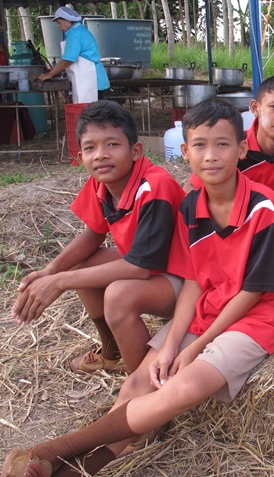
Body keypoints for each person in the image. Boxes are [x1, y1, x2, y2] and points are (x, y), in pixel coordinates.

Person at [0, 99, 274, 477]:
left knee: (183, 387)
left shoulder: (267, 208)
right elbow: (193, 283)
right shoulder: (192, 206)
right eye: (200, 145)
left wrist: (195, 348)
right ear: (185, 152)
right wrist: (171, 344)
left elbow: (251, 294)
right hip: (208, 305)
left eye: (222, 144)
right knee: (138, 382)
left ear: (241, 149)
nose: (211, 155)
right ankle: (77, 463)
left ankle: (59, 454)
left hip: (254, 317)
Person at [10, 100, 185, 374]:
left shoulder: (154, 186)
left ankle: (141, 380)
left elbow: (139, 268)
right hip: (152, 269)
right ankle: (112, 351)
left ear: (135, 151)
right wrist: (50, 271)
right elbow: (94, 232)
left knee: (117, 296)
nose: (101, 155)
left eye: (112, 144)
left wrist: (59, 282)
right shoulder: (101, 182)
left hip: (184, 280)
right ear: (81, 157)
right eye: (90, 148)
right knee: (81, 265)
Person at [185, 76, 274, 299]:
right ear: (255, 108)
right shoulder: (238, 146)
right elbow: (191, 187)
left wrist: (263, 211)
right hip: (245, 217)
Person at [36, 6, 110, 104]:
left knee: (90, 110)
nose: (59, 26)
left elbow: (67, 60)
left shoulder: (75, 34)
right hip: (90, 79)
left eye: (59, 23)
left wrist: (50, 74)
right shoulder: (80, 31)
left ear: (67, 20)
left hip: (90, 80)